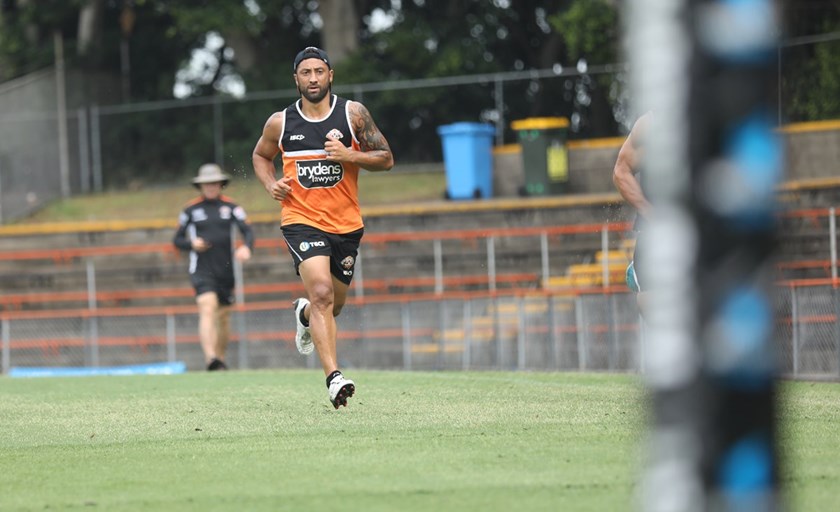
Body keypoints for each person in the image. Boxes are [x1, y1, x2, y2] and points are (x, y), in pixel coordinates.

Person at [251, 46, 394, 409]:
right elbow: (261, 156)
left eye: (319, 71)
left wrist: (350, 155)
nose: (313, 78)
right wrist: (271, 185)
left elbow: (386, 159)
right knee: (321, 293)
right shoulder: (280, 123)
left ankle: (303, 316)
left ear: (330, 75)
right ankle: (334, 378)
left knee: (332, 306)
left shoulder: (353, 114)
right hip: (300, 221)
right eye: (305, 72)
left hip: (346, 225)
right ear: (295, 79)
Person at [173, 163, 255, 371]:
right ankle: (210, 358)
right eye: (206, 183)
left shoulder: (232, 207)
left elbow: (248, 231)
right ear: (200, 186)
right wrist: (192, 244)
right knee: (207, 307)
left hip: (226, 270)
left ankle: (219, 358)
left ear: (220, 184)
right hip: (201, 269)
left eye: (214, 183)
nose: (210, 187)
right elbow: (177, 240)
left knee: (223, 317)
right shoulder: (190, 210)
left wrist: (246, 247)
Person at [612, 112, 652, 317]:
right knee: (649, 300)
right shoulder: (651, 124)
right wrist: (650, 212)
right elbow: (621, 172)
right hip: (657, 235)